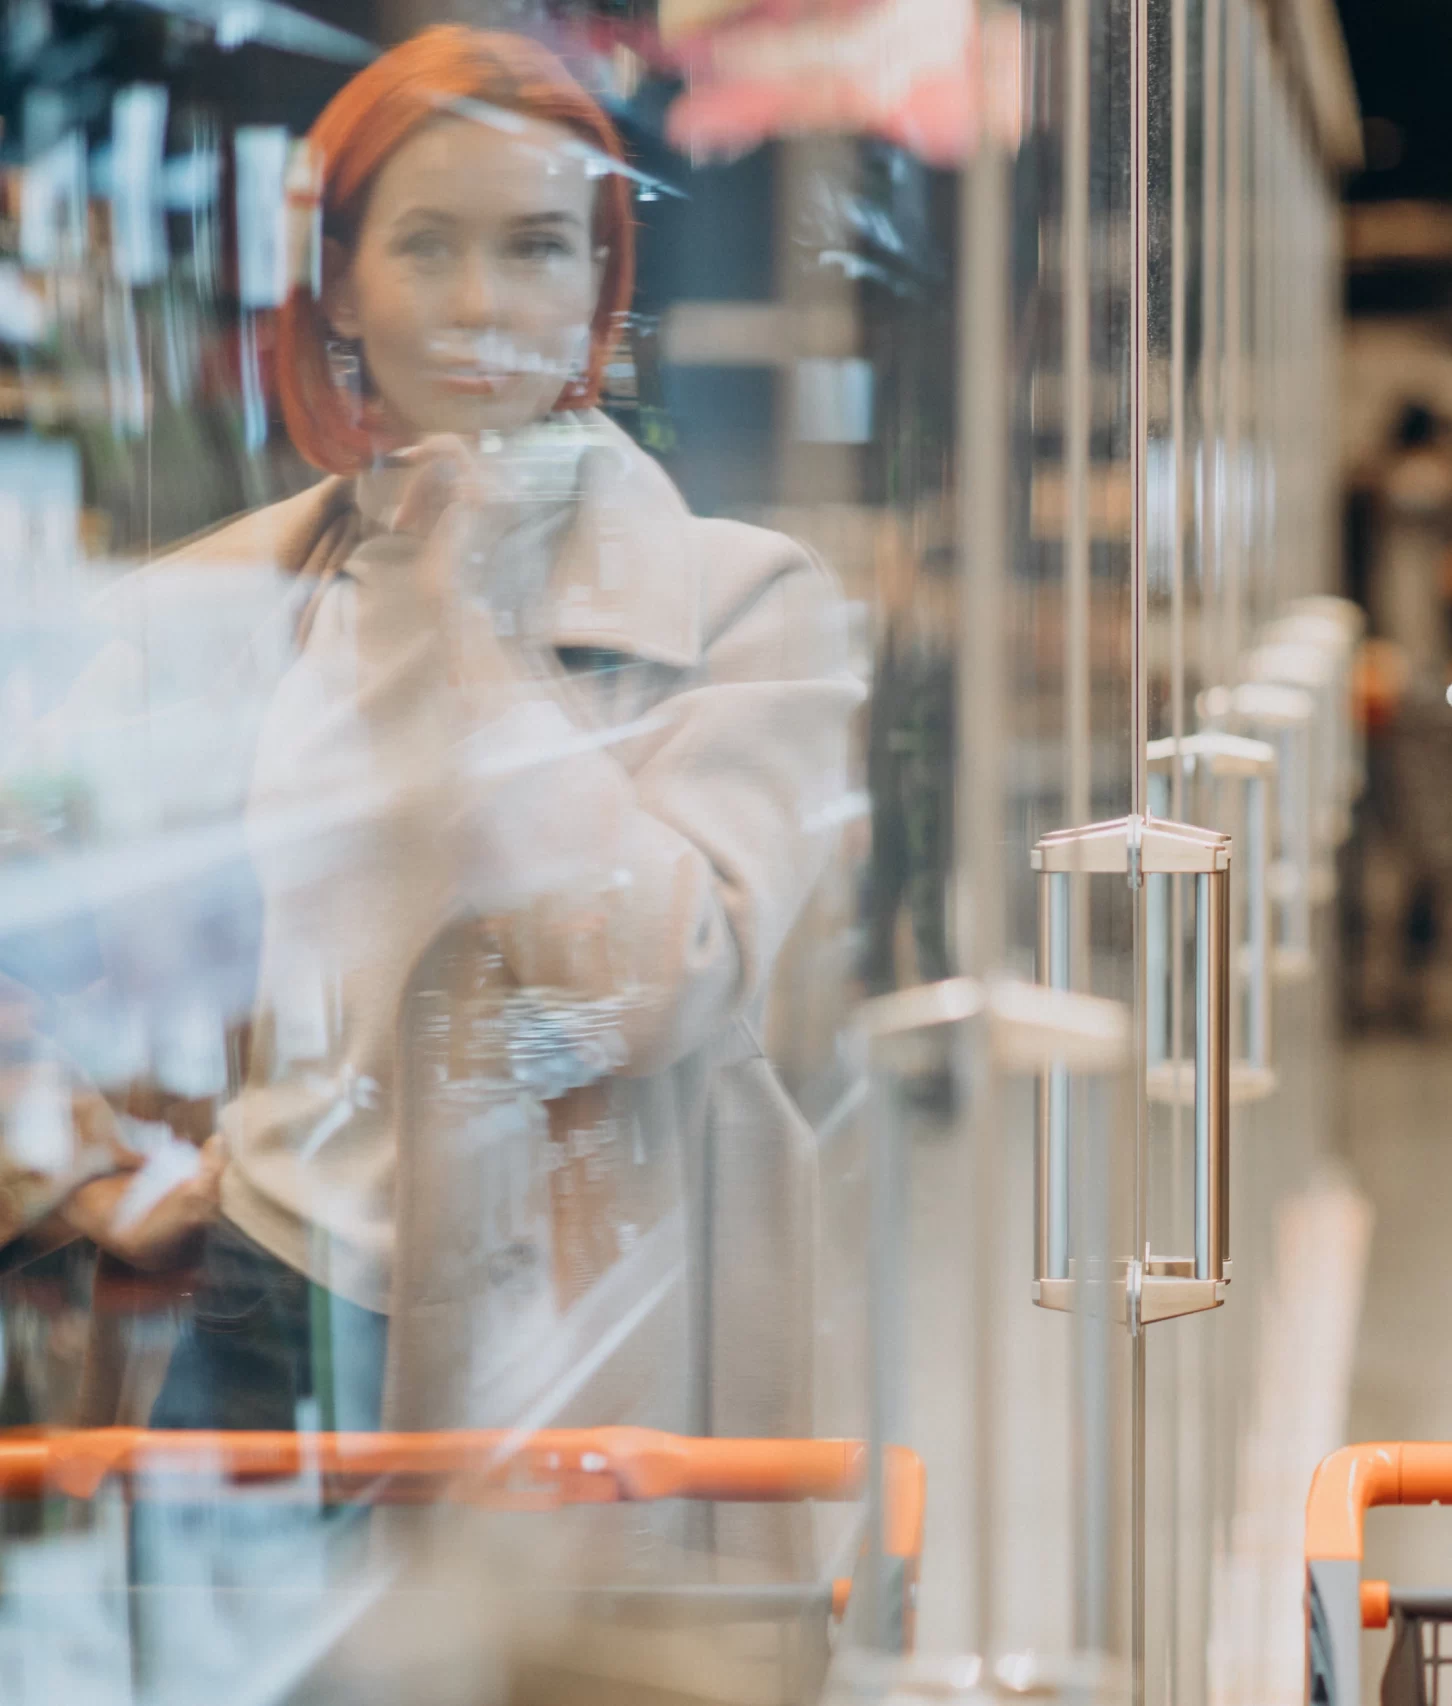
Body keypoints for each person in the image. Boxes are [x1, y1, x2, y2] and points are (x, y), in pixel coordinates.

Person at [45, 26, 853, 1460]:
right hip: (253, 1320)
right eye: (428, 246)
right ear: (340, 282)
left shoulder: (743, 605)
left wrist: (463, 622)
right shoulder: (210, 613)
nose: (485, 303)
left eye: (539, 246)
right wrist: (101, 1168)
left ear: (603, 277)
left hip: (588, 1344)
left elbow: (647, 984)